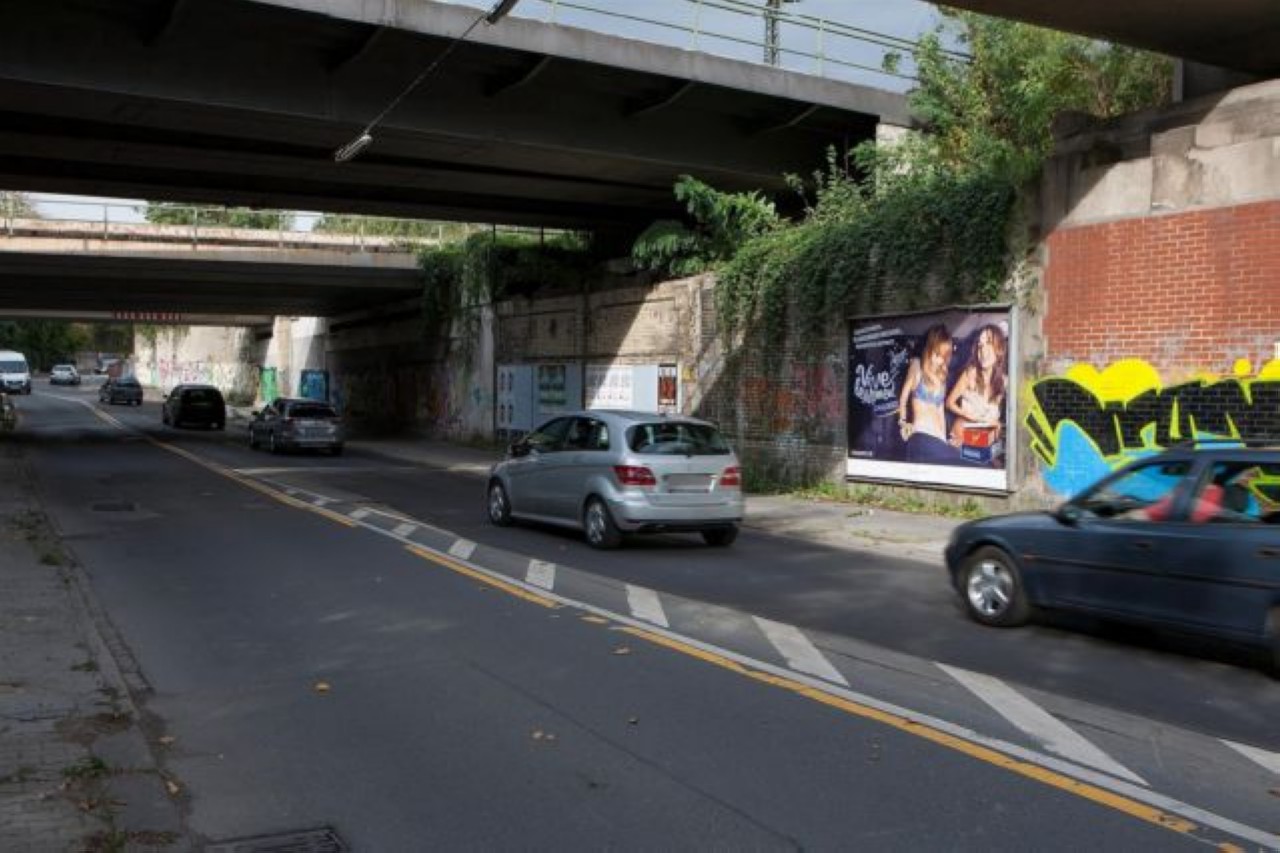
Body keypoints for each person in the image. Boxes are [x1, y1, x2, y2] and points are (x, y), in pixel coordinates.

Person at [897, 324, 956, 462]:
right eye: (936, 354)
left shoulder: (942, 376)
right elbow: (903, 399)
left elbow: (940, 411)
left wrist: (944, 439)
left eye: (942, 356)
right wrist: (903, 422)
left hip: (938, 439)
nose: (938, 360)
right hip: (921, 435)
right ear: (929, 348)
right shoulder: (917, 366)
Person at [947, 323, 1008, 447]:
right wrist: (969, 415)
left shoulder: (1004, 381)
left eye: (989, 343)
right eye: (980, 345)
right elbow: (949, 403)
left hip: (985, 441)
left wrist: (997, 424)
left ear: (999, 348)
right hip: (962, 438)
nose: (983, 350)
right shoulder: (970, 373)